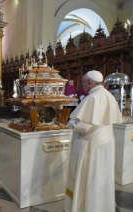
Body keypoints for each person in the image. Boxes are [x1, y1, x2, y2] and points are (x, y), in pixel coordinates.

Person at [63, 70, 122, 212]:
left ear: (89, 82)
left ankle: (87, 207)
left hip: (91, 145)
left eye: (83, 82)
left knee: (90, 179)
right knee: (102, 178)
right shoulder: (108, 95)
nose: (82, 86)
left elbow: (82, 126)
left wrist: (69, 122)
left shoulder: (92, 98)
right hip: (106, 143)